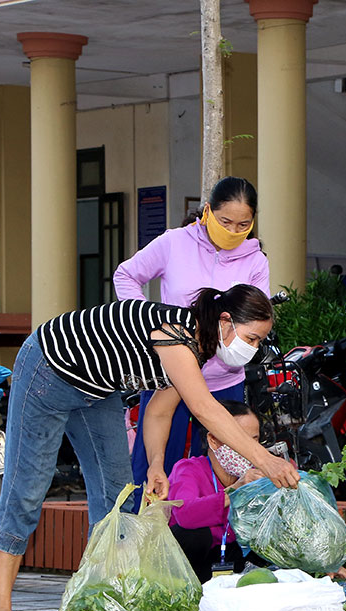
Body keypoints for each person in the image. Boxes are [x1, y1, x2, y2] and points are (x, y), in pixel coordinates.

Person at [0, 284, 300, 611]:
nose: (253, 348)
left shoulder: (198, 349)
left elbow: (159, 411)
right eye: (252, 338)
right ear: (225, 322)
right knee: (27, 488)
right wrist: (266, 461)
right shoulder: (175, 333)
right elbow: (204, 409)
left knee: (117, 497)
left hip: (96, 390)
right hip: (48, 369)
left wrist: (155, 465)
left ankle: (100, 600)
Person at [113, 176, 270, 492]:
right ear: (208, 211)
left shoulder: (256, 260)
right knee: (154, 471)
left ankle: (211, 526)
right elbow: (126, 275)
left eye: (243, 225)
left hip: (224, 382)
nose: (233, 231)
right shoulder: (174, 243)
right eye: (225, 222)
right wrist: (152, 326)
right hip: (169, 376)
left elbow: (255, 318)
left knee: (225, 473)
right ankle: (145, 524)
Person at [167, 399, 267, 583]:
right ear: (213, 440)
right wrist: (235, 490)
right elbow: (185, 514)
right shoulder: (188, 470)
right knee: (194, 534)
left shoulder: (257, 475)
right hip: (193, 563)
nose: (250, 449)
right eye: (240, 439)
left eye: (254, 440)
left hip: (235, 558)